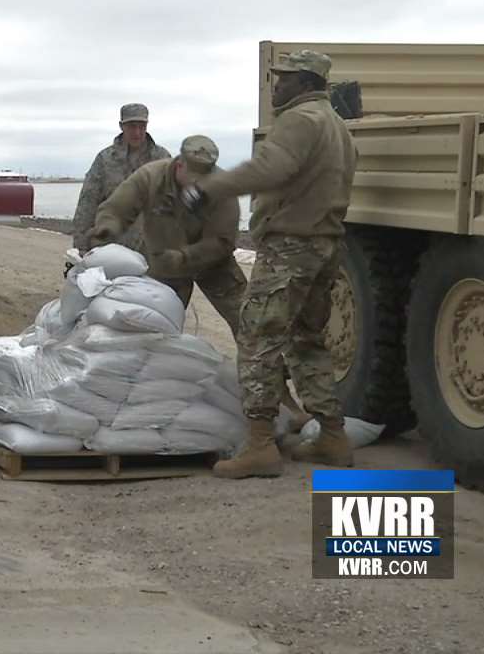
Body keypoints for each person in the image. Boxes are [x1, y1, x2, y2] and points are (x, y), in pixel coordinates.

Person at [180, 49, 358, 479]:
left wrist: (211, 189)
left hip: (290, 248)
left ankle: (260, 444)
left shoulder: (300, 121)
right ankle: (333, 436)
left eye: (284, 78)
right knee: (307, 341)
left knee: (258, 338)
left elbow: (269, 168)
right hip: (326, 245)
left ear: (307, 81)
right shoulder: (336, 125)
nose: (276, 85)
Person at [87, 135, 245, 336]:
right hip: (164, 264)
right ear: (179, 165)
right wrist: (107, 227)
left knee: (250, 322)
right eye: (195, 180)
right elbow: (117, 209)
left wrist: (186, 256)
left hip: (213, 262)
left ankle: (259, 366)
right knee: (154, 326)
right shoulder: (150, 177)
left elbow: (224, 241)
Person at [71, 103, 171, 256]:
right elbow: (87, 204)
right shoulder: (105, 160)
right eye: (131, 126)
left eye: (142, 126)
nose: (137, 132)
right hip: (111, 249)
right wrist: (81, 247)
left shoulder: (162, 158)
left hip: (151, 251)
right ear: (121, 126)